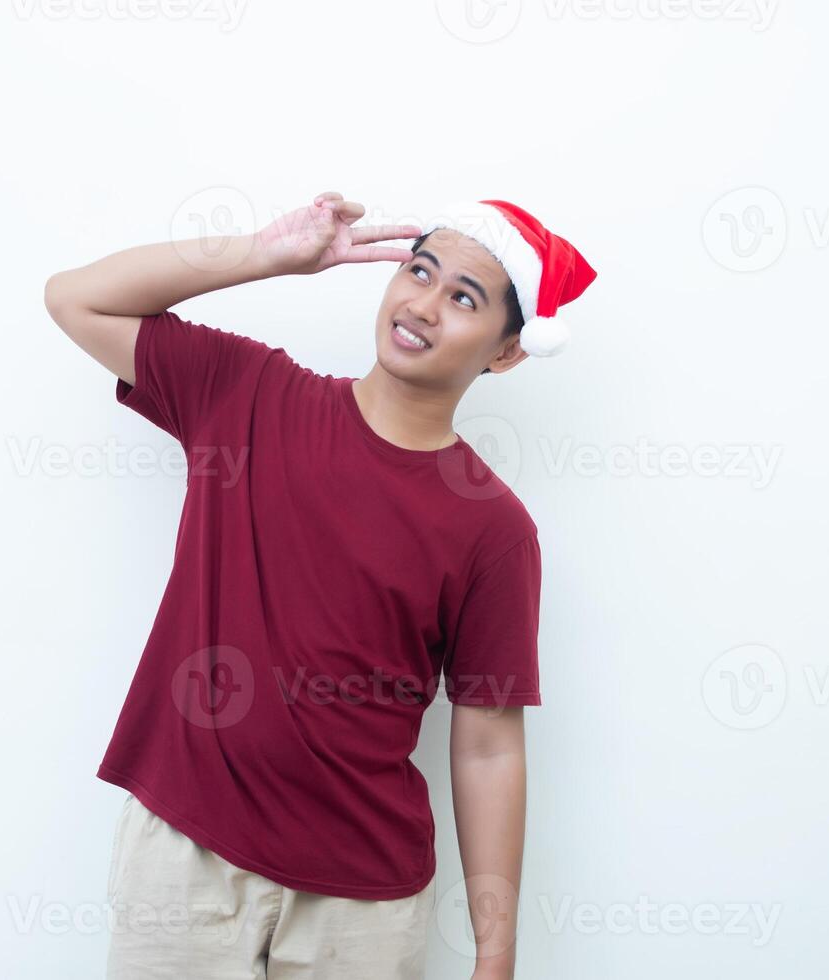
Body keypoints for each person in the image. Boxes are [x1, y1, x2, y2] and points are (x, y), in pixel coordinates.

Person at [44, 191, 596, 979]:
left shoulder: (494, 531)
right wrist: (266, 256)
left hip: (361, 906)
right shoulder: (248, 393)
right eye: (418, 271)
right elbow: (74, 298)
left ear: (507, 352)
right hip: (185, 858)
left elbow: (486, 746)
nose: (423, 304)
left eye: (464, 298)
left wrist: (495, 957)